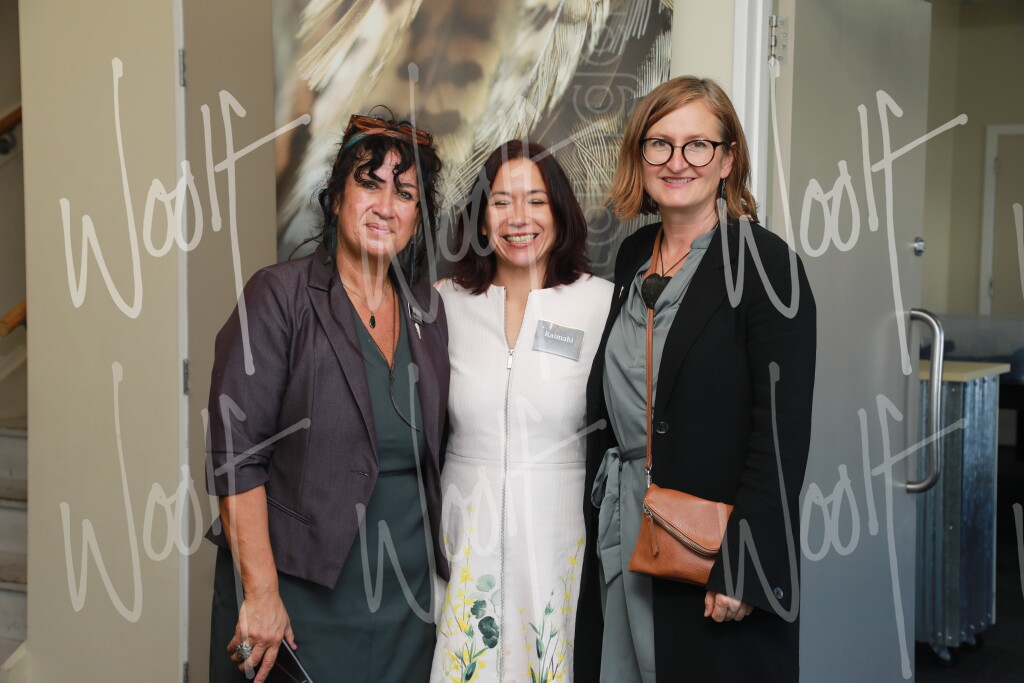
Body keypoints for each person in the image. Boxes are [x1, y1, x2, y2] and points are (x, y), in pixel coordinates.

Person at [574, 76, 817, 682]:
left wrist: (747, 564)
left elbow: (781, 440)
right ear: (640, 155)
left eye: (698, 145)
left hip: (712, 548)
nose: (677, 161)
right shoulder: (633, 256)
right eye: (659, 143)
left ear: (728, 159)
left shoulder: (768, 267)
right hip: (625, 526)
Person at [205, 111, 449, 683]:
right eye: (370, 184)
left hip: (406, 607)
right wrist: (261, 594)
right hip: (297, 603)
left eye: (405, 193)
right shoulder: (278, 297)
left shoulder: (429, 313)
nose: (386, 206)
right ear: (336, 197)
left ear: (418, 217)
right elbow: (237, 458)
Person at [430, 141, 613, 682]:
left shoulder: (602, 303)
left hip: (560, 536)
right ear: (480, 218)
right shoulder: (443, 304)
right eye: (501, 202)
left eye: (535, 201)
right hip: (466, 535)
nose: (518, 218)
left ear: (559, 211)